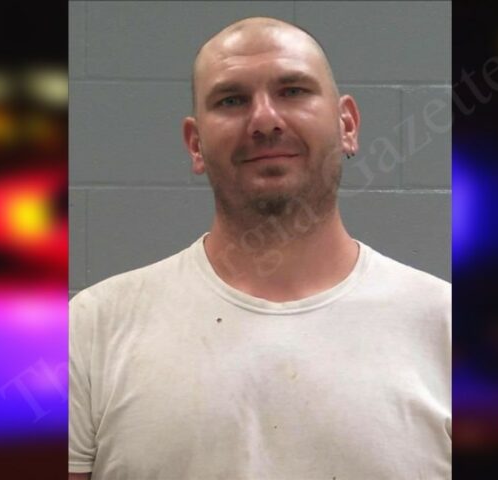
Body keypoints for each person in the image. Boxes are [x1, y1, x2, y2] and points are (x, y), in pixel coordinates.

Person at [69, 16, 450, 480]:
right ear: (195, 144)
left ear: (347, 124)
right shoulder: (92, 327)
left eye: (293, 91)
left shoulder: (448, 327)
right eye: (231, 100)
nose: (265, 120)